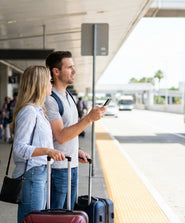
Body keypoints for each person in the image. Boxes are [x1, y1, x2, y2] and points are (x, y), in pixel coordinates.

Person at [45, 51, 107, 210]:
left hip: (71, 165)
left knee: (69, 213)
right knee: (57, 216)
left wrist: (76, 150)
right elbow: (60, 136)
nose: (74, 71)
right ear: (56, 71)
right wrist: (88, 118)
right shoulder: (51, 99)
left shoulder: (69, 96)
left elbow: (69, 130)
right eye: (69, 67)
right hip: (58, 169)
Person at [11, 65, 65, 223]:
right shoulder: (29, 112)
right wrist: (47, 151)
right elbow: (20, 148)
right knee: (33, 220)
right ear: (39, 84)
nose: (52, 84)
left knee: (36, 219)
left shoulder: (39, 111)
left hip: (39, 173)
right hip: (32, 174)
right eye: (49, 81)